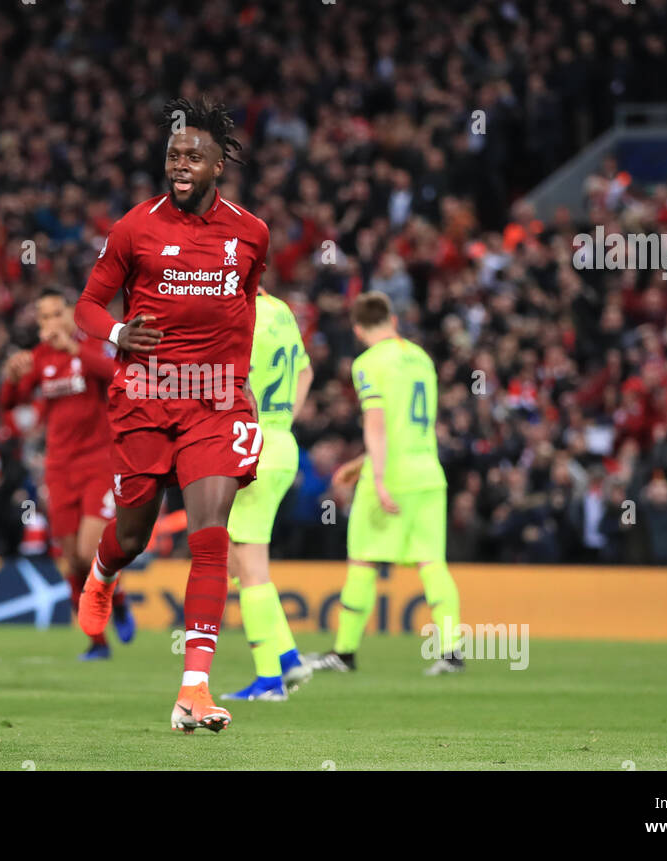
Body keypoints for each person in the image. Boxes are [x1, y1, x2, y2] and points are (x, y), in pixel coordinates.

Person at [73, 97, 269, 733]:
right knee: (132, 535)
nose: (180, 164)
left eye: (193, 156)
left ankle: (194, 688)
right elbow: (86, 307)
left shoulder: (251, 233)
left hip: (216, 397)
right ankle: (102, 574)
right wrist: (117, 334)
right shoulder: (135, 227)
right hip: (145, 393)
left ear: (219, 166)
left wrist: (240, 384)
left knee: (210, 534)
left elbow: (245, 303)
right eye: (173, 156)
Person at [310, 292, 464, 676]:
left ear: (358, 329)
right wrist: (360, 462)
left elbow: (377, 423)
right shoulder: (421, 358)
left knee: (362, 559)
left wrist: (375, 477)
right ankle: (451, 653)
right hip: (427, 472)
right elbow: (407, 426)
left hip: (392, 475)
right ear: (392, 320)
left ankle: (344, 653)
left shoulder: (368, 363)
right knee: (432, 563)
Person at [0, 288, 135, 660]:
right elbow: (11, 405)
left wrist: (74, 350)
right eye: (42, 318)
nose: (49, 323)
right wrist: (11, 379)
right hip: (58, 468)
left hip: (98, 462)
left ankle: (118, 601)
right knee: (70, 558)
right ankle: (97, 642)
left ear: (70, 315)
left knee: (91, 549)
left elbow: (115, 374)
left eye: (55, 314)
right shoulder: (38, 359)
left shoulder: (93, 346)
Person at [220, 287, 314, 701]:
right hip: (281, 442)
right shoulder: (281, 310)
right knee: (238, 560)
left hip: (249, 444)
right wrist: (283, 419)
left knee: (249, 568)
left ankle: (269, 681)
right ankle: (289, 657)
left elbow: (226, 383)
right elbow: (306, 372)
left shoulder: (235, 313)